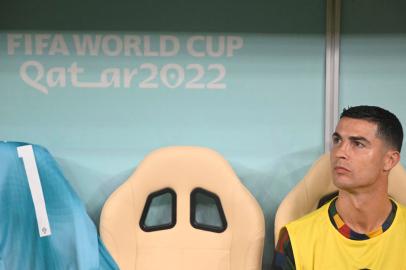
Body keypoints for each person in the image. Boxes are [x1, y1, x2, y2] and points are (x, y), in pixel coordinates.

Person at [271, 105, 406, 269]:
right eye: (337, 140)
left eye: (358, 144)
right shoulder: (294, 239)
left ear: (389, 160)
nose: (340, 152)